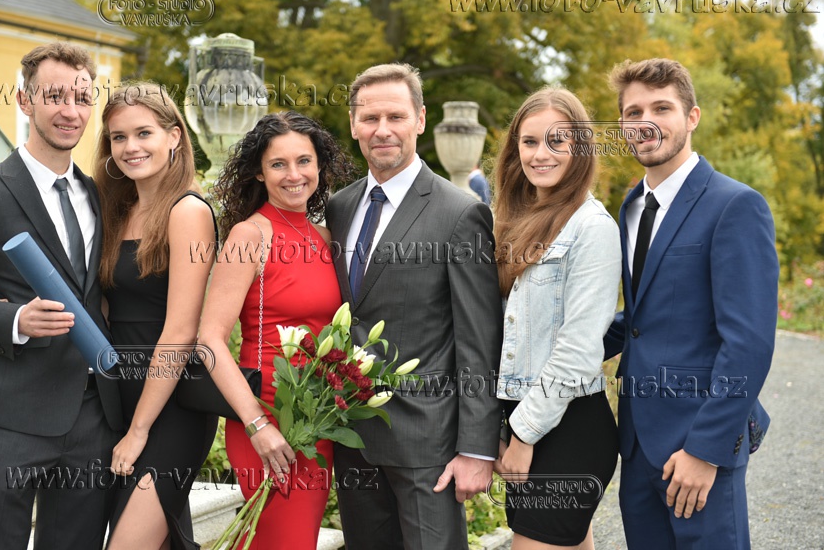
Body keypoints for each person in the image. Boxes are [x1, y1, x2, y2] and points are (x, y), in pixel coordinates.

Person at [0, 42, 124, 549]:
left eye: (82, 98)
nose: (70, 110)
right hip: (13, 413)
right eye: (54, 96)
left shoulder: (101, 195)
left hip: (93, 416)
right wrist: (16, 320)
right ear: (24, 100)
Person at [326, 63, 504, 550]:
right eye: (370, 118)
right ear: (353, 124)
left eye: (396, 116)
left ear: (420, 120)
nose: (382, 130)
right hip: (352, 435)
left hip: (429, 444)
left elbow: (479, 340)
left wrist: (476, 448)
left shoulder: (460, 213)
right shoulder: (339, 208)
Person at [604, 58, 778, 549]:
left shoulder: (735, 205)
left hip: (698, 445)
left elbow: (749, 342)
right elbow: (640, 318)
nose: (646, 122)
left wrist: (706, 450)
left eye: (662, 108)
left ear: (692, 117)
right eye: (633, 112)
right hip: (637, 444)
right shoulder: (631, 208)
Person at [196, 111, 355, 549]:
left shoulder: (325, 238)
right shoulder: (250, 235)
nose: (294, 175)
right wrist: (257, 425)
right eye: (278, 164)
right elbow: (209, 341)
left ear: (320, 166)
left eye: (304, 161)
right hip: (264, 418)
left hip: (316, 420)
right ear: (259, 172)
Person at [492, 87, 620, 549]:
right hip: (523, 419)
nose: (539, 154)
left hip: (567, 429)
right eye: (529, 142)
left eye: (556, 141)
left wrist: (523, 435)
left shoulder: (592, 227)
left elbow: (579, 349)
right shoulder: (514, 219)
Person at [94, 82, 217, 549]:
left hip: (170, 406)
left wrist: (139, 429)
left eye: (143, 133)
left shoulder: (188, 211)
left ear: (174, 136)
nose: (131, 147)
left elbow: (181, 330)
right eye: (118, 137)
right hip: (120, 397)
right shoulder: (116, 211)